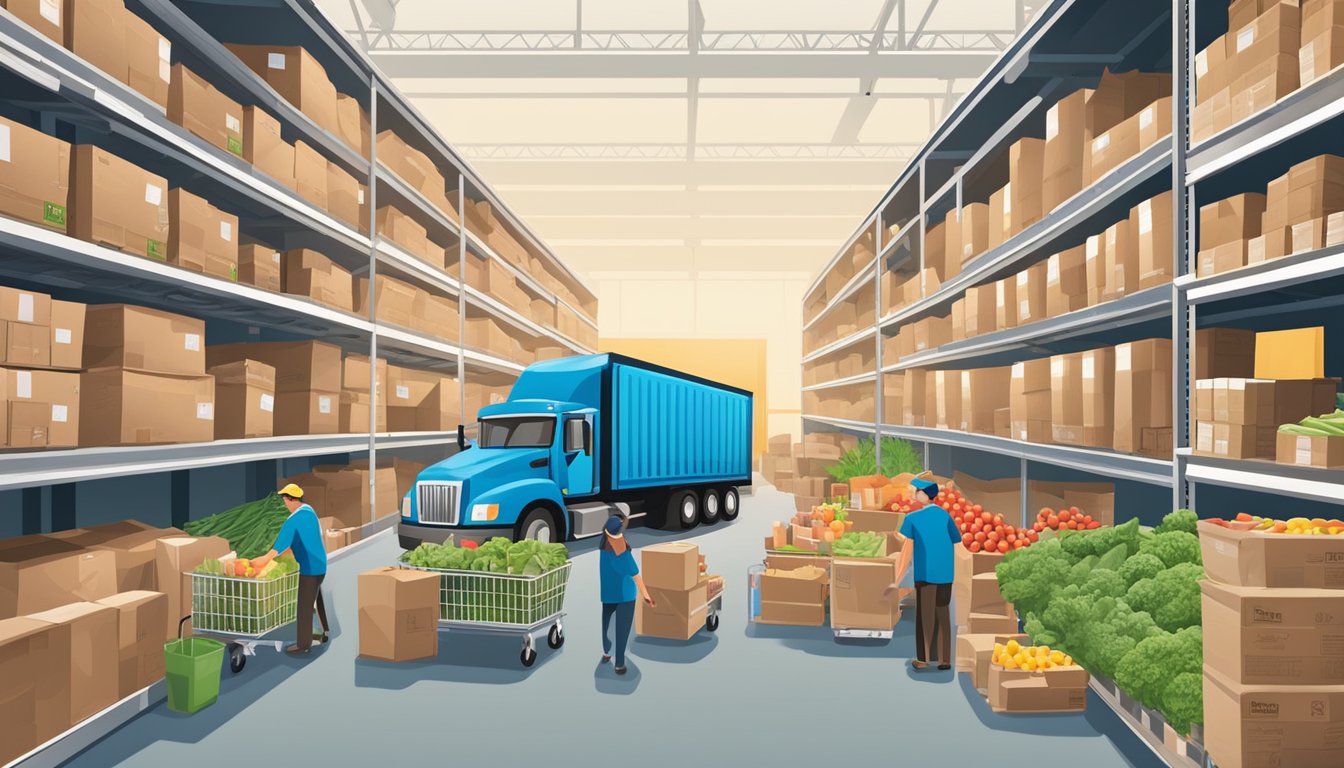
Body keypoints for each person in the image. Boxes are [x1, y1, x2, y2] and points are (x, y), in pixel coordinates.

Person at [888, 478, 960, 672]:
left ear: (925, 495)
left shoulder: (913, 518)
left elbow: (907, 549)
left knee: (925, 616)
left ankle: (924, 659)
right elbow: (956, 538)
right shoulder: (945, 516)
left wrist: (898, 577)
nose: (914, 494)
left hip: (926, 573)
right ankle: (945, 659)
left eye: (917, 491)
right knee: (942, 614)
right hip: (945, 574)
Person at [251, 484, 330, 655]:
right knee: (318, 598)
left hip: (309, 569)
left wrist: (261, 561)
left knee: (304, 607)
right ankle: (326, 631)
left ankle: (303, 645)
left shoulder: (293, 520)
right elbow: (305, 538)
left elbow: (279, 546)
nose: (285, 504)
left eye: (285, 500)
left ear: (292, 499)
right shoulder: (310, 512)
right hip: (321, 564)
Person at [598, 515, 654, 675]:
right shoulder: (623, 553)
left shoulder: (603, 546)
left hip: (608, 593)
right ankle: (620, 663)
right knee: (622, 629)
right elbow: (636, 576)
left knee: (607, 623)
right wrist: (647, 595)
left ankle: (607, 652)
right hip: (625, 596)